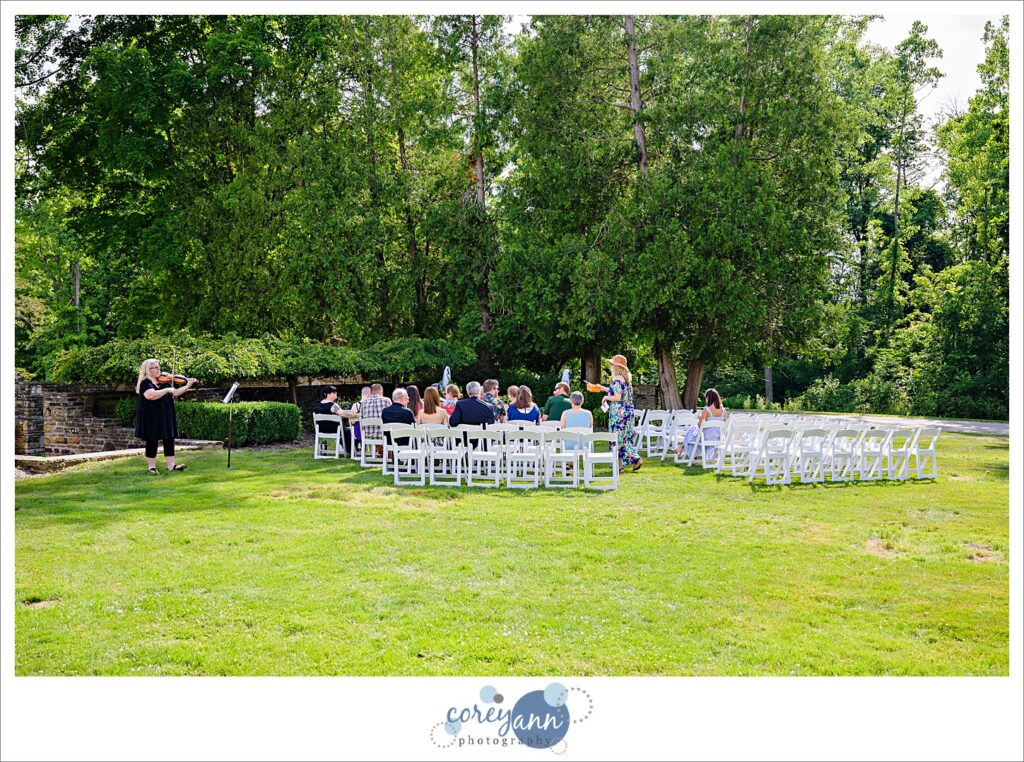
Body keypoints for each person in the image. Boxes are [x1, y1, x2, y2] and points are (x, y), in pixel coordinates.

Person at [133, 358, 198, 474]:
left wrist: (188, 385)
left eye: (159, 367)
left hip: (166, 414)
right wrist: (167, 390)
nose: (159, 370)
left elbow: (175, 392)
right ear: (149, 370)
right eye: (156, 367)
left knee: (169, 439)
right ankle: (151, 467)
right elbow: (151, 395)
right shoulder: (145, 383)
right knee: (152, 439)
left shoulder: (164, 382)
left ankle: (171, 465)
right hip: (151, 416)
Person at [598, 354, 643, 473]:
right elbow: (620, 393)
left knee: (615, 438)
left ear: (616, 367)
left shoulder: (617, 379)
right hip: (628, 412)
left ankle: (628, 461)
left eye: (612, 365)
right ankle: (622, 464)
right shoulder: (626, 380)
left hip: (619, 413)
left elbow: (617, 397)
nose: (611, 367)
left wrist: (606, 397)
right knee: (625, 438)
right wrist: (604, 388)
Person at [676, 388, 729, 459]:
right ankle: (681, 448)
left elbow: (699, 425)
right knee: (693, 431)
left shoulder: (707, 409)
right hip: (717, 437)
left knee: (692, 429)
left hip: (705, 438)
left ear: (708, 398)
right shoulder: (724, 411)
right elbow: (724, 425)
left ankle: (682, 449)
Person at [312, 385, 344, 454]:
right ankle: (350, 450)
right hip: (334, 430)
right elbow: (343, 414)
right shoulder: (333, 405)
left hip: (321, 430)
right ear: (327, 394)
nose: (336, 393)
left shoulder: (318, 405)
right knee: (348, 431)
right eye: (334, 392)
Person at [359, 383, 388, 454]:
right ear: (381, 390)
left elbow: (361, 416)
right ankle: (388, 453)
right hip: (382, 434)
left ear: (371, 391)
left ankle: (381, 452)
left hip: (367, 435)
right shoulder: (386, 400)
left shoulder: (363, 402)